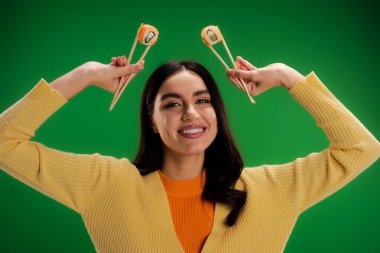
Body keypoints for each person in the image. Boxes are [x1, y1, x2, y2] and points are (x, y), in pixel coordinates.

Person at [0, 54, 379, 253]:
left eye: (203, 100)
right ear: (151, 120)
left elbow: (361, 148)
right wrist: (82, 75)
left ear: (217, 112)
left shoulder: (272, 190)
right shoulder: (106, 184)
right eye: (171, 104)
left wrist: (286, 76)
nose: (190, 114)